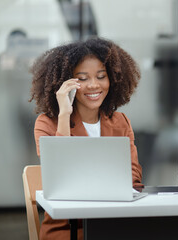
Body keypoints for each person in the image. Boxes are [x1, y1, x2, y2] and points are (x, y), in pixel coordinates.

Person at [29, 37, 143, 240]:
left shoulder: (120, 122)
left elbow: (134, 178)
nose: (93, 85)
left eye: (101, 76)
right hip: (68, 228)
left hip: (112, 222)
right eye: (82, 78)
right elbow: (59, 176)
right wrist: (64, 114)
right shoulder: (47, 123)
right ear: (65, 82)